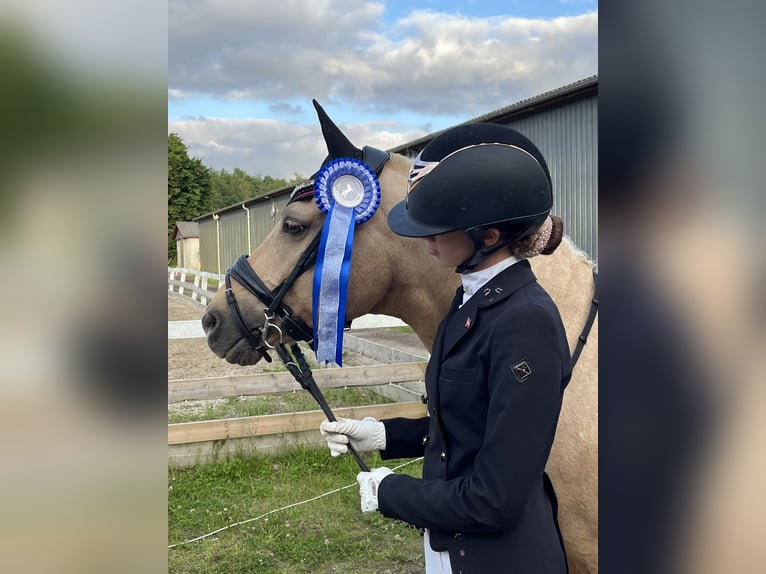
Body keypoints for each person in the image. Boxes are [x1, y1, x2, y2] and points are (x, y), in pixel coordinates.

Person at [320, 123, 571, 574]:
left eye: (438, 229)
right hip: (452, 548)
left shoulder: (526, 322)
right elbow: (466, 424)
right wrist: (384, 435)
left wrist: (391, 493)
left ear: (488, 237)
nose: (426, 241)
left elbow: (496, 498)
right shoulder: (469, 297)